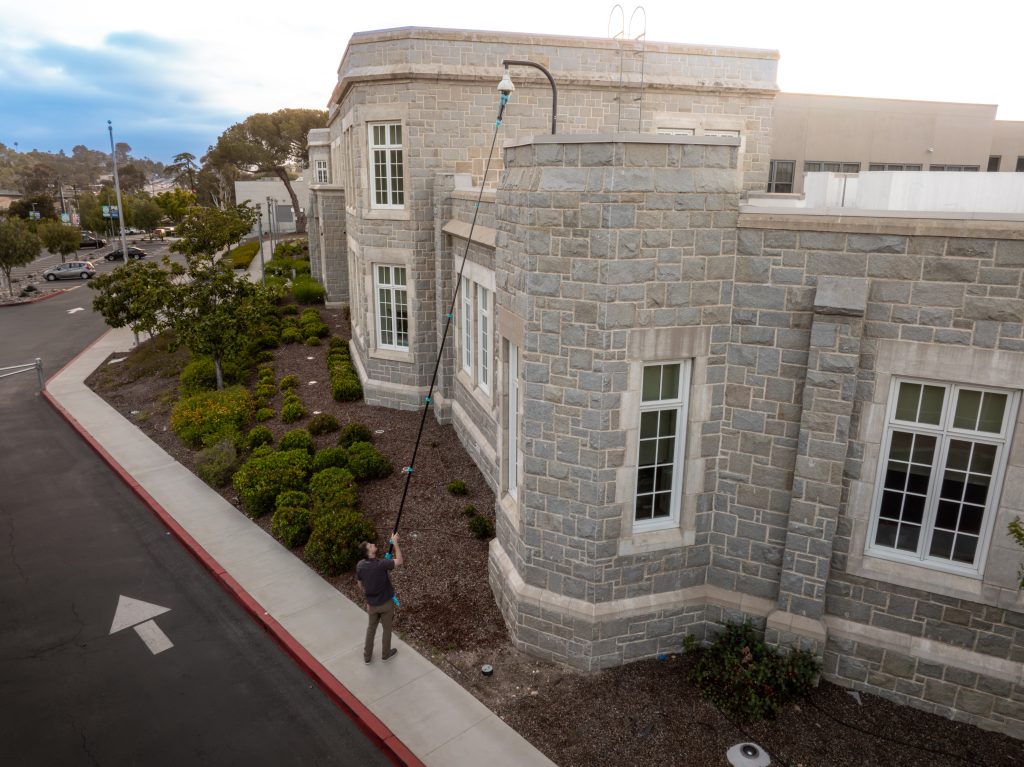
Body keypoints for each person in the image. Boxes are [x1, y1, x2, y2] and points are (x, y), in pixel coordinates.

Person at [356, 533, 402, 663]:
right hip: (386, 604)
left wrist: (367, 598)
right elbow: (399, 561)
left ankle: (367, 656)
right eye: (371, 545)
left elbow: (360, 585)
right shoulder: (381, 564)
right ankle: (385, 654)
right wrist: (396, 543)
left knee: (371, 629)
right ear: (368, 552)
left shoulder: (360, 565)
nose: (373, 545)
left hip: (371, 605)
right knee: (387, 629)